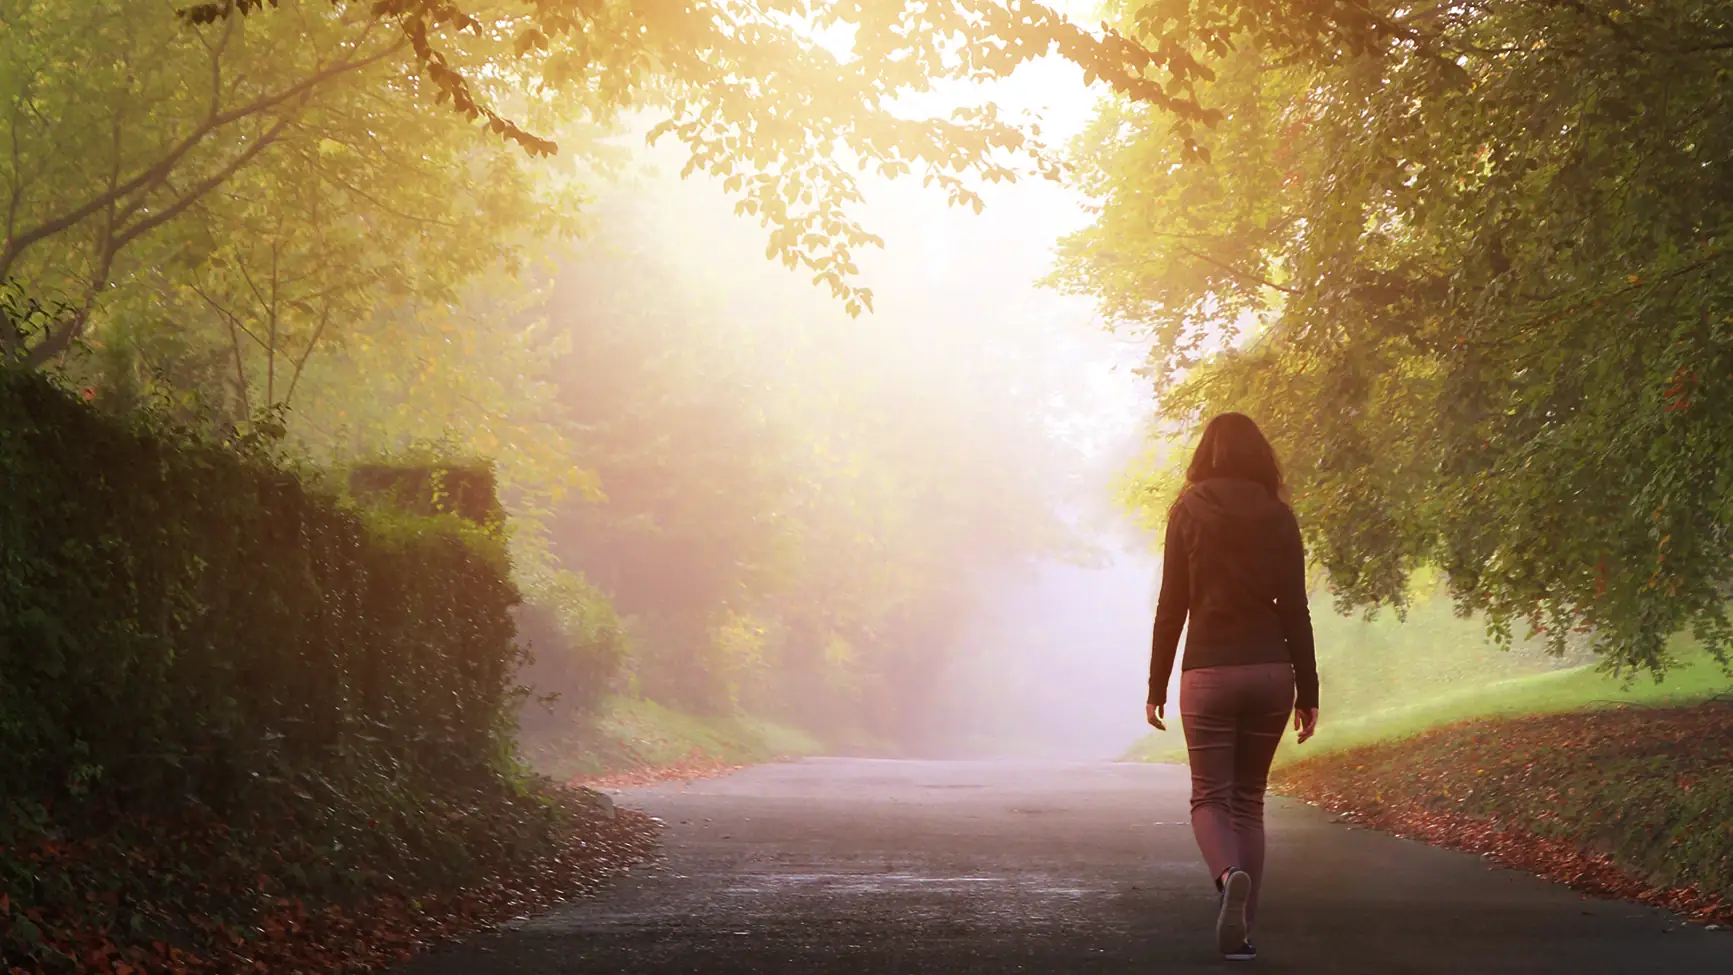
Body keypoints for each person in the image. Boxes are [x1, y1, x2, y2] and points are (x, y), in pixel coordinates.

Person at [1145, 412, 1320, 962]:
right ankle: (1241, 933)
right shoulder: (1278, 516)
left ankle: (1228, 875)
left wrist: (1156, 683)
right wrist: (1308, 691)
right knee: (1248, 801)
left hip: (1210, 671)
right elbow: (1295, 608)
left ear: (1205, 454)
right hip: (1271, 671)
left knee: (1209, 798)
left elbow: (1172, 604)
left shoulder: (1187, 512)